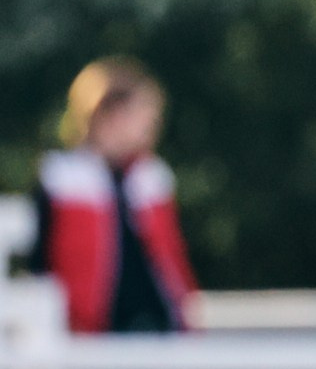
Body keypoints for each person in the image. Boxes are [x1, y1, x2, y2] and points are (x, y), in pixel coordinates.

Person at [32, 57, 200, 337]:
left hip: (159, 326)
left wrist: (185, 316)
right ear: (109, 113)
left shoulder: (151, 179)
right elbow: (41, 265)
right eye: (143, 113)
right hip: (92, 334)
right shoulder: (61, 180)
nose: (152, 124)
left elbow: (172, 260)